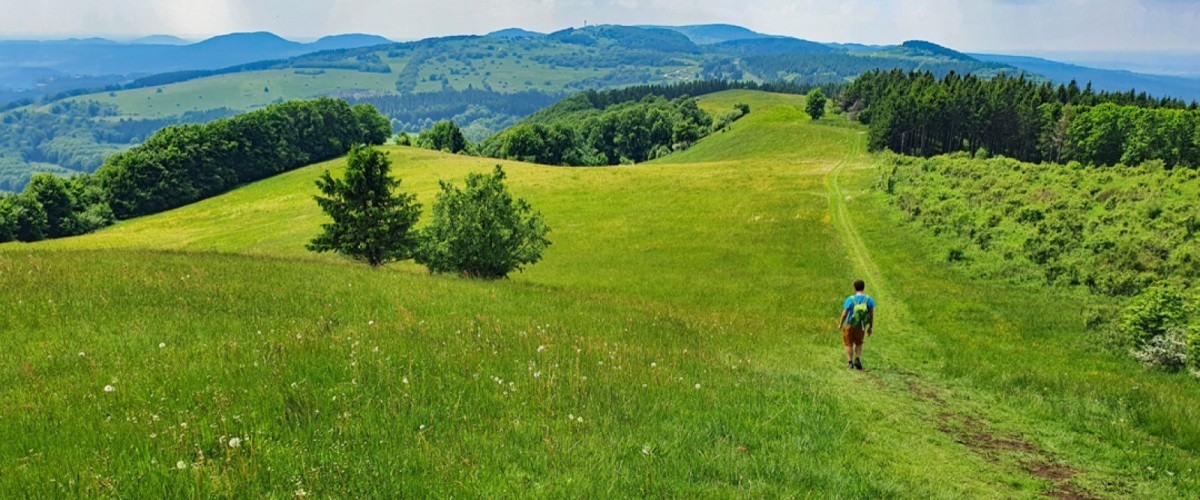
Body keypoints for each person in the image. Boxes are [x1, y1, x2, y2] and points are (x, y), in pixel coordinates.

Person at [838, 279, 875, 370]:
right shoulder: (869, 300)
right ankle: (857, 359)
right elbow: (871, 315)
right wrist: (870, 327)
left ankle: (850, 362)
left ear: (855, 288)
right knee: (859, 343)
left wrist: (840, 324)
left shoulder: (850, 299)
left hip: (850, 324)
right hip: (861, 325)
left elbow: (845, 313)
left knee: (848, 343)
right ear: (863, 287)